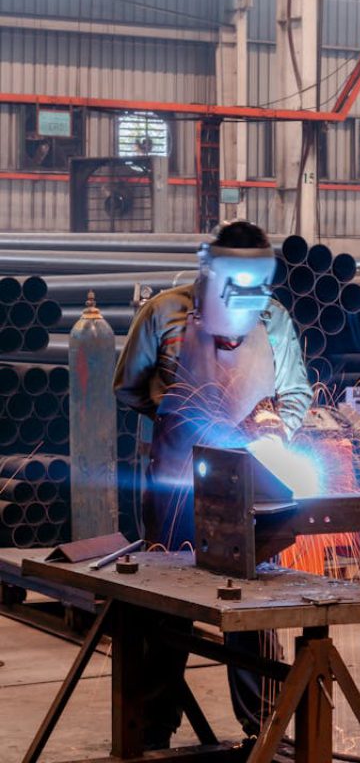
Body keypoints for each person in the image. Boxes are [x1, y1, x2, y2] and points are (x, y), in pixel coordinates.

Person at [113, 220, 313, 748]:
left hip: (250, 490)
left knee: (250, 605)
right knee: (164, 603)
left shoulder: (276, 321)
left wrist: (275, 427)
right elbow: (127, 387)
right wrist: (176, 413)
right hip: (176, 484)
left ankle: (265, 725)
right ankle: (151, 727)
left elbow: (296, 395)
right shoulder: (162, 314)